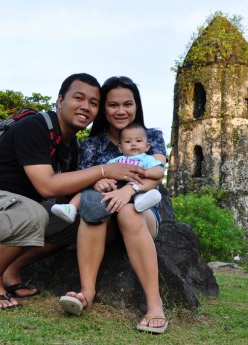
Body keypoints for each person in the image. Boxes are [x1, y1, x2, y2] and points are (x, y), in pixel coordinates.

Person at [0, 73, 151, 310]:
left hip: (19, 207)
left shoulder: (72, 147)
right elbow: (46, 186)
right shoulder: (34, 127)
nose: (85, 107)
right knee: (33, 214)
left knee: (81, 221)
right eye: (78, 98)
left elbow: (63, 196)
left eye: (93, 103)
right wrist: (104, 171)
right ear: (60, 100)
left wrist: (100, 187)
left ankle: (10, 271)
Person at [59, 76, 168, 334]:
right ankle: (87, 292)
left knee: (130, 211)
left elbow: (157, 174)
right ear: (102, 109)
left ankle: (155, 305)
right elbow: (84, 180)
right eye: (113, 105)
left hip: (142, 215)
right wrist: (97, 182)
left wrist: (129, 189)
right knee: (92, 210)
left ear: (136, 106)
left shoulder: (150, 136)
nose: (121, 111)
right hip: (105, 220)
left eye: (127, 104)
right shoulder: (92, 144)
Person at [51, 123, 164, 223]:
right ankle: (71, 208)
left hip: (135, 184)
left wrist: (145, 173)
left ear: (147, 147)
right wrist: (101, 180)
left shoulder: (147, 159)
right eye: (128, 141)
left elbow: (160, 171)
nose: (133, 144)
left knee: (140, 192)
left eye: (138, 141)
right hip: (114, 187)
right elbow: (104, 172)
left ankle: (140, 203)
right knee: (87, 191)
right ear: (120, 148)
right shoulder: (116, 160)